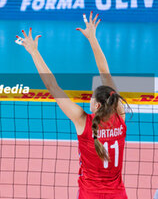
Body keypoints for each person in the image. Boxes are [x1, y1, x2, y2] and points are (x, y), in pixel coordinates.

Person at [16, 12, 128, 199]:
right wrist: (93, 38)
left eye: (92, 98)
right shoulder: (120, 117)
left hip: (89, 194)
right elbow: (104, 72)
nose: (89, 99)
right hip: (118, 194)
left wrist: (34, 52)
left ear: (98, 106)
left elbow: (52, 86)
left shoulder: (82, 122)